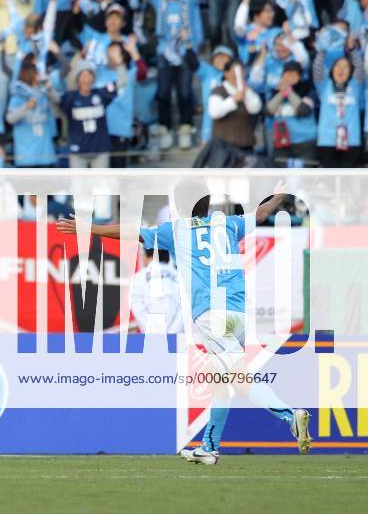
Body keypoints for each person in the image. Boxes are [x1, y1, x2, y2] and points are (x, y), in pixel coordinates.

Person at [56, 182, 311, 465]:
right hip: (238, 313)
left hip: (211, 315)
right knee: (220, 380)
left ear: (177, 206)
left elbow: (130, 232)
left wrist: (90, 228)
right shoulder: (227, 224)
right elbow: (261, 214)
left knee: (238, 379)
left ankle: (289, 415)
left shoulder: (174, 231)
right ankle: (209, 448)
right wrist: (278, 196)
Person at [128, 248, 184, 334]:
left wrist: (153, 332)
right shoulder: (179, 276)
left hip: (151, 337)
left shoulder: (139, 277)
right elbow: (185, 307)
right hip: (177, 337)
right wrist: (173, 333)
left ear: (146, 255)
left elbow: (137, 307)